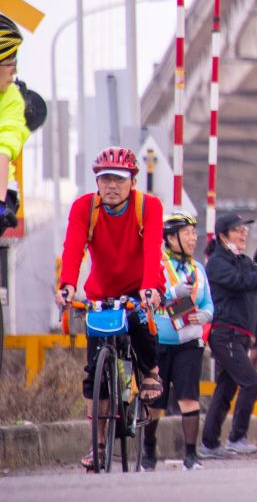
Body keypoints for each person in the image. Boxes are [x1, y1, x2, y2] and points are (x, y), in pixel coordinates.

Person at [57, 147, 165, 470]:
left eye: (118, 179)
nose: (111, 186)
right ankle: (98, 443)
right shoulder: (83, 208)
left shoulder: (148, 206)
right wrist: (67, 286)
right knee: (94, 371)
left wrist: (150, 288)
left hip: (139, 286)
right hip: (100, 293)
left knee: (140, 322)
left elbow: (152, 249)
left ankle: (149, 371)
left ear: (132, 181)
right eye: (104, 179)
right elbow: (73, 248)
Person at [202, 212, 257, 456]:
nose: (243, 234)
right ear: (223, 236)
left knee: (226, 388)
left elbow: (256, 275)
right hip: (225, 333)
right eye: (237, 230)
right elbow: (244, 281)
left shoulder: (240, 260)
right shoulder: (217, 263)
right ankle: (237, 436)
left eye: (245, 230)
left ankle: (209, 443)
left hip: (240, 334)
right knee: (252, 382)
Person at [144, 212, 212, 471]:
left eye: (194, 233)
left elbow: (208, 303)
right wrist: (172, 292)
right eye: (187, 233)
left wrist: (206, 314)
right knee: (156, 400)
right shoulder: (157, 265)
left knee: (188, 398)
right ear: (171, 238)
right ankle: (148, 453)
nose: (193, 238)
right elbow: (150, 296)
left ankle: (191, 456)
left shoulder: (198, 269)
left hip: (189, 342)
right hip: (159, 340)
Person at [0, 15, 30, 232]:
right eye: (11, 62)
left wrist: (0, 205)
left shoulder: (11, 98)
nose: (15, 71)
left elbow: (3, 149)